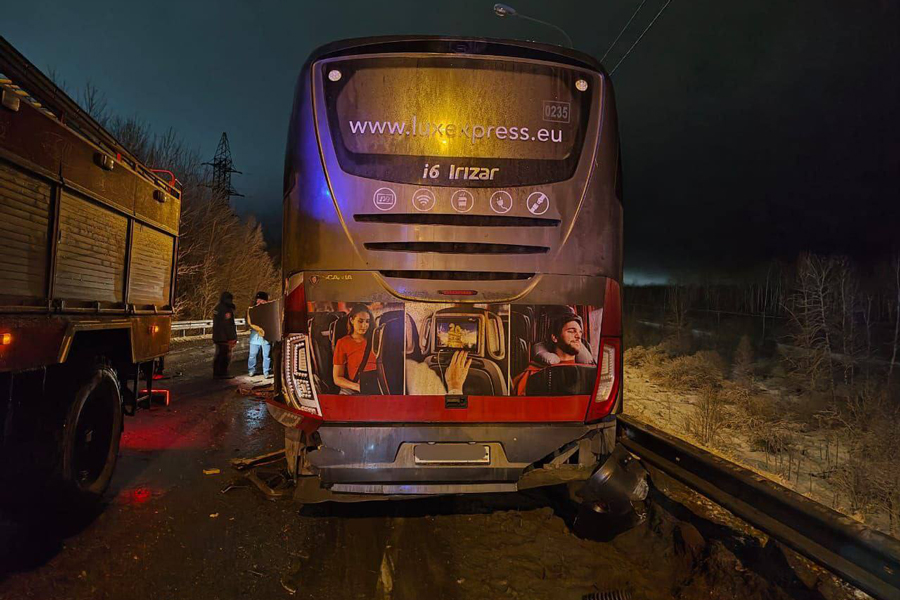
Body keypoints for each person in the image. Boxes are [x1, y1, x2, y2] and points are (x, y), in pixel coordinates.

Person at [512, 314, 588, 395]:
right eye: (571, 331)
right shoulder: (533, 373)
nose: (578, 336)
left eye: (580, 332)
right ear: (555, 337)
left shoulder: (587, 374)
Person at [332, 305, 378, 394]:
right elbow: (337, 378)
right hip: (354, 389)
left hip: (376, 386)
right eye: (360, 321)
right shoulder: (343, 342)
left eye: (367, 322)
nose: (364, 325)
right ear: (352, 320)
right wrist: (356, 387)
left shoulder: (376, 339)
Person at [212, 291, 237, 378]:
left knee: (218, 355)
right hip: (224, 337)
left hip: (217, 336)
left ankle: (216, 373)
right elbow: (228, 325)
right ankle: (223, 373)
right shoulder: (226, 309)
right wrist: (232, 337)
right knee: (224, 356)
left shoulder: (217, 308)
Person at [247, 291, 272, 378]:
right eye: (258, 300)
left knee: (266, 355)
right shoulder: (252, 309)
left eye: (261, 300)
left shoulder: (270, 310)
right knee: (252, 354)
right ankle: (251, 370)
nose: (258, 302)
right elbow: (250, 322)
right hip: (255, 337)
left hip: (266, 336)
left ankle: (266, 371)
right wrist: (259, 329)